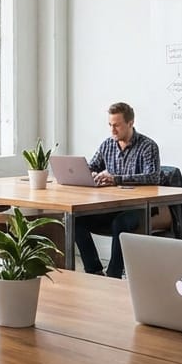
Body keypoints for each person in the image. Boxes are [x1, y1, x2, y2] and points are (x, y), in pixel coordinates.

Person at [73, 102, 161, 278]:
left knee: (120, 223)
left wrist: (115, 178)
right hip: (111, 205)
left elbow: (152, 177)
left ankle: (114, 274)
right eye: (110, 125)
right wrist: (94, 175)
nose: (113, 130)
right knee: (75, 220)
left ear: (130, 123)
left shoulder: (148, 146)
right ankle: (94, 270)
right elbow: (91, 167)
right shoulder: (107, 145)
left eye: (117, 125)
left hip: (140, 207)